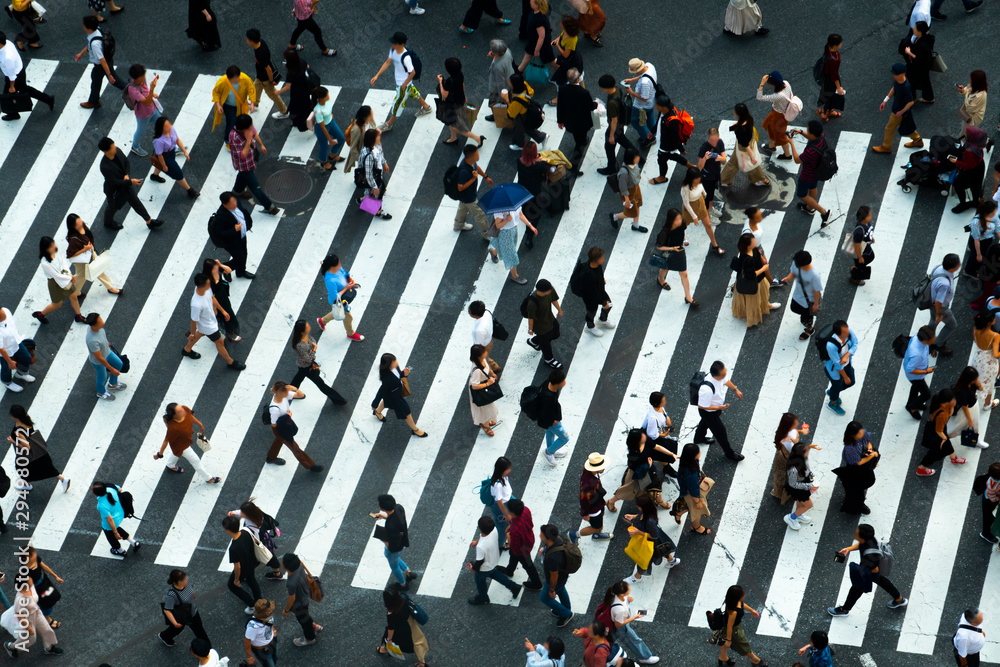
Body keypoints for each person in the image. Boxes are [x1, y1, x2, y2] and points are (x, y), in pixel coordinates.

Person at [827, 523, 908, 616]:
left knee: (856, 590)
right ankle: (899, 599)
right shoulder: (869, 540)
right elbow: (860, 545)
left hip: (868, 571)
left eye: (856, 533)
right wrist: (848, 549)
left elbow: (874, 569)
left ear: (862, 537)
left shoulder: (869, 556)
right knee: (883, 582)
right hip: (870, 568)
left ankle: (844, 610)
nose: (854, 534)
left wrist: (864, 574)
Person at [181, 273, 246, 370]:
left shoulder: (205, 290)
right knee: (219, 342)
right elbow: (193, 320)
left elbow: (212, 298)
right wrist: (192, 333)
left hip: (210, 320)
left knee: (200, 333)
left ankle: (187, 350)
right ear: (202, 286)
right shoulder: (196, 304)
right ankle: (230, 362)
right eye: (208, 283)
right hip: (208, 326)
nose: (210, 284)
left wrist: (223, 311)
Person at [98, 137, 165, 231]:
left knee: (135, 202)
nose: (115, 148)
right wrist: (130, 181)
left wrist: (127, 175)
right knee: (113, 207)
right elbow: (114, 182)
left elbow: (126, 163)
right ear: (105, 151)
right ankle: (108, 223)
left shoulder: (117, 151)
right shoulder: (104, 166)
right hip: (114, 190)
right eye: (112, 147)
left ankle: (149, 221)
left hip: (125, 185)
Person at [371, 32, 432, 132]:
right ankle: (426, 107)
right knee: (412, 91)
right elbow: (387, 62)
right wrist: (377, 75)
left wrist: (404, 85)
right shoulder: (393, 50)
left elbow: (412, 73)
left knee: (397, 105)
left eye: (395, 43)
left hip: (402, 85)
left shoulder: (406, 58)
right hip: (405, 84)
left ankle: (389, 124)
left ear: (402, 44)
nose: (393, 45)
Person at [154, 402, 221, 482]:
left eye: (181, 408)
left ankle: (170, 465)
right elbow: (166, 440)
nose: (183, 411)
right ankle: (208, 478)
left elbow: (190, 416)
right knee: (195, 460)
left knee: (177, 453)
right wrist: (160, 454)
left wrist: (200, 424)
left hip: (185, 441)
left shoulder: (184, 409)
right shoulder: (173, 428)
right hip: (181, 445)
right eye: (179, 411)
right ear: (174, 415)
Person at [694, 360, 745, 461]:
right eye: (724, 373)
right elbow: (701, 406)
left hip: (713, 411)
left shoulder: (719, 376)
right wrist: (719, 407)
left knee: (704, 422)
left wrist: (735, 389)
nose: (725, 374)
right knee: (720, 432)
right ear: (716, 375)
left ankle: (699, 438)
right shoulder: (706, 389)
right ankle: (729, 453)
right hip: (709, 413)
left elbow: (725, 380)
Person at [266, 382, 323, 471]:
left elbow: (301, 395)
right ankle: (311, 465)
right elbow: (274, 424)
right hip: (280, 427)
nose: (287, 393)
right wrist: (288, 417)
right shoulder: (274, 409)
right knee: (294, 447)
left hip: (285, 422)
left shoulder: (283, 395)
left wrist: (295, 389)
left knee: (279, 440)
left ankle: (271, 457)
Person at [230, 114, 280, 215]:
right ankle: (269, 207)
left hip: (251, 160)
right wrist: (248, 141)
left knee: (243, 176)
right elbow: (242, 156)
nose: (251, 128)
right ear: (242, 129)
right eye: (249, 128)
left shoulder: (248, 127)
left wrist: (261, 145)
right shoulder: (234, 137)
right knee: (255, 186)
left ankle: (237, 191)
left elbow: (254, 133)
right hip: (243, 165)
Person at [289, 319, 346, 405]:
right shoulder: (300, 345)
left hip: (305, 365)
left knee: (298, 379)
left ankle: (288, 392)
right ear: (302, 331)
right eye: (307, 327)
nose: (309, 327)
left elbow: (313, 341)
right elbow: (309, 359)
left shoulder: (305, 336)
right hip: (306, 367)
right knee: (321, 384)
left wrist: (310, 351)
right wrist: (313, 350)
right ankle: (339, 400)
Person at [468, 515, 522, 605]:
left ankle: (483, 598)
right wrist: (477, 541)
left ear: (479, 528)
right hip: (493, 560)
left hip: (484, 567)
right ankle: (513, 587)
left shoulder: (481, 547)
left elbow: (479, 562)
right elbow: (482, 536)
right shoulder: (493, 530)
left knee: (479, 581)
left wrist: (473, 569)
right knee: (495, 574)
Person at [625, 491, 679, 581]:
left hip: (650, 542)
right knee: (662, 550)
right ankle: (672, 560)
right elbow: (640, 516)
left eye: (638, 506)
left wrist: (638, 532)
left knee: (645, 561)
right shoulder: (647, 512)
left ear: (644, 507)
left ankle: (636, 577)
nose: (637, 507)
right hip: (655, 540)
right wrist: (633, 516)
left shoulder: (650, 521)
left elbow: (654, 536)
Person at [0, 31, 53, 121]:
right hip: (18, 70)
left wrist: (12, 86)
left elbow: (12, 75)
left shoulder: (7, 57)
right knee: (25, 89)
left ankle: (13, 113)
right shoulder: (7, 43)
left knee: (7, 95)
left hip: (15, 76)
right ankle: (48, 99)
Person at [603, 581, 660, 664]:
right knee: (634, 641)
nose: (630, 588)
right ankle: (645, 657)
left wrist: (628, 600)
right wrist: (634, 617)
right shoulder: (619, 609)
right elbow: (618, 624)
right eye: (628, 588)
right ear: (622, 593)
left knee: (608, 642)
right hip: (621, 627)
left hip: (615, 626)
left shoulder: (616, 596)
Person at [1, 581, 62, 658]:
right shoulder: (19, 600)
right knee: (31, 639)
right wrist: (28, 628)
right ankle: (11, 646)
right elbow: (20, 616)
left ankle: (49, 647)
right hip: (27, 618)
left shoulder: (31, 587)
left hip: (36, 612)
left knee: (46, 629)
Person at [32, 236, 85, 326]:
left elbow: (63, 262)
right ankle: (40, 314)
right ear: (46, 249)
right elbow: (56, 276)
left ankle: (78, 315)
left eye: (54, 244)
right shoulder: (45, 263)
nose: (54, 247)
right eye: (51, 246)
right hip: (55, 283)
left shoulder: (56, 251)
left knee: (73, 296)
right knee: (57, 304)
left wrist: (69, 274)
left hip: (65, 276)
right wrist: (70, 278)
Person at [75, 16, 125, 110]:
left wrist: (109, 75)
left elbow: (102, 60)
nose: (83, 26)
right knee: (96, 81)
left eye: (84, 25)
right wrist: (81, 53)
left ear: (88, 28)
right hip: (106, 62)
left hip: (101, 66)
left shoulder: (95, 44)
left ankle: (135, 92)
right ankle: (93, 101)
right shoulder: (96, 30)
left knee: (115, 81)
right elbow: (89, 43)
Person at [371, 354, 427, 437]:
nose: (396, 362)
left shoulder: (394, 368)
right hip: (394, 397)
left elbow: (398, 376)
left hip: (393, 393)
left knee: (386, 401)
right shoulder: (387, 378)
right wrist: (374, 404)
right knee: (406, 412)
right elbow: (381, 391)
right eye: (394, 361)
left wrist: (404, 374)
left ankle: (377, 412)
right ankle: (415, 430)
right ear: (389, 365)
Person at [787, 121, 832, 223]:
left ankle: (824, 212)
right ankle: (809, 207)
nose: (806, 132)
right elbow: (811, 137)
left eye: (808, 131)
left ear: (812, 134)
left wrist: (791, 143)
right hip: (816, 171)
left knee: (801, 194)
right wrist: (801, 132)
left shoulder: (810, 151)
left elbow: (797, 160)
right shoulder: (821, 138)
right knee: (813, 187)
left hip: (807, 174)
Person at [227, 500, 283, 581]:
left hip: (258, 541)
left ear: (248, 514)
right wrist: (234, 513)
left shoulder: (252, 524)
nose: (240, 513)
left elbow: (254, 538)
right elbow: (242, 513)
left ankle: (244, 575)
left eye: (242, 512)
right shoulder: (256, 513)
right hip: (264, 537)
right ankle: (276, 572)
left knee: (254, 560)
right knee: (269, 555)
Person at [873, 63, 922, 153]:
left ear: (903, 74)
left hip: (898, 112)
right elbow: (894, 88)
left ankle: (886, 147)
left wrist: (901, 112)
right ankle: (918, 140)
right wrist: (885, 100)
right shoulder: (898, 81)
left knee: (889, 128)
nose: (894, 76)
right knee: (907, 126)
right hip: (901, 111)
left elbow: (911, 102)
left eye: (896, 74)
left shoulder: (905, 87)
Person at [372, 494, 418, 589]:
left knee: (394, 566)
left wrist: (382, 539)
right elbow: (395, 519)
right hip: (402, 542)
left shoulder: (390, 526)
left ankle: (403, 584)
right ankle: (408, 573)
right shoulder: (399, 508)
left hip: (394, 548)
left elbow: (391, 544)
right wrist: (383, 516)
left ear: (383, 508)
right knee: (395, 559)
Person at [495, 498, 542, 589]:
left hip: (522, 548)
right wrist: (511, 526)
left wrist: (509, 538)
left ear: (512, 513)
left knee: (527, 564)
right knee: (513, 555)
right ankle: (509, 570)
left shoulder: (515, 530)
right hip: (529, 538)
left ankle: (537, 584)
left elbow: (514, 546)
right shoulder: (526, 510)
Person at [556, 68, 597, 173]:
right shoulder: (584, 92)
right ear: (578, 78)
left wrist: (560, 120)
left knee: (577, 136)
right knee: (580, 144)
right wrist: (596, 104)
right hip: (582, 122)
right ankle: (574, 166)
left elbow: (559, 105)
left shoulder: (562, 88)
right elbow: (591, 107)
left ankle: (581, 141)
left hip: (569, 121)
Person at [916, 389, 965, 477]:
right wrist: (944, 438)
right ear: (947, 401)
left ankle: (953, 458)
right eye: (953, 399)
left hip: (940, 430)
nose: (955, 400)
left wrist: (952, 406)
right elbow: (938, 430)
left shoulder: (941, 404)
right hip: (938, 434)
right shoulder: (942, 415)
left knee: (946, 444)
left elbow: (949, 414)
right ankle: (921, 469)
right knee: (934, 453)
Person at [716, 585, 767, 667]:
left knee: (723, 642)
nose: (744, 594)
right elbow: (729, 626)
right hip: (733, 630)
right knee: (743, 645)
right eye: (742, 594)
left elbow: (742, 604)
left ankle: (723, 658)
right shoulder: (733, 612)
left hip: (731, 627)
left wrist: (751, 610)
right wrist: (729, 640)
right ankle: (755, 660)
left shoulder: (732, 602)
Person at [652, 208, 696, 304]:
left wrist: (682, 240)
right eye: (676, 219)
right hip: (669, 253)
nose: (680, 221)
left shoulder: (682, 224)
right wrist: (672, 249)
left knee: (684, 274)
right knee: (665, 268)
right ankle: (660, 279)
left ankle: (688, 297)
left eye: (680, 218)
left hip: (679, 251)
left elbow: (682, 231)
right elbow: (659, 247)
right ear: (671, 220)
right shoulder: (665, 232)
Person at [719, 103, 769, 187]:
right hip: (747, 143)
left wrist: (752, 157)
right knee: (734, 162)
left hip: (743, 147)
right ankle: (725, 179)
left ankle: (760, 179)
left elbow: (745, 145)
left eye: (734, 111)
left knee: (750, 164)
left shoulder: (740, 130)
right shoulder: (749, 119)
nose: (733, 112)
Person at [437, 58, 484, 146]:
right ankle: (453, 138)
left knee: (460, 128)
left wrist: (440, 82)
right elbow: (462, 86)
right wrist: (464, 97)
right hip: (460, 101)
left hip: (453, 106)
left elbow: (444, 95)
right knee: (451, 123)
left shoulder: (449, 81)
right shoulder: (460, 74)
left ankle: (478, 138)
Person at [377, 588, 430, 666]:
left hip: (399, 630)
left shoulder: (391, 614)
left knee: (389, 639)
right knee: (416, 642)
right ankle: (422, 662)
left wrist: (389, 640)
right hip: (409, 623)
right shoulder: (403, 598)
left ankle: (386, 649)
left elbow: (391, 629)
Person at [835, 421, 878, 515]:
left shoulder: (862, 433)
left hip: (864, 464)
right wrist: (872, 455)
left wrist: (869, 450)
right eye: (859, 433)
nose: (862, 433)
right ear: (853, 435)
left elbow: (868, 442)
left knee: (860, 486)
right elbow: (858, 462)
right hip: (855, 470)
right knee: (855, 490)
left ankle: (859, 501)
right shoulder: (850, 448)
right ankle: (857, 505)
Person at [596, 74, 636, 176]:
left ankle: (611, 168)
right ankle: (636, 154)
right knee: (621, 138)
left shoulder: (612, 104)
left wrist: (611, 136)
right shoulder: (617, 89)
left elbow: (614, 121)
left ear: (605, 88)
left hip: (616, 125)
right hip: (621, 123)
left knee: (609, 146)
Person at [316, 254, 363, 340]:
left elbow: (344, 274)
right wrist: (346, 288)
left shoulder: (337, 269)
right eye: (338, 263)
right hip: (340, 301)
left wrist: (351, 282)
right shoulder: (330, 281)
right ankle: (350, 334)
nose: (340, 264)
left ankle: (322, 321)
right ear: (332, 266)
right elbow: (335, 297)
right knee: (348, 318)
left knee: (337, 313)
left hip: (344, 297)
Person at [151, 117, 200, 198]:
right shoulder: (159, 141)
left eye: (169, 124)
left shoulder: (171, 129)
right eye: (167, 126)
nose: (170, 126)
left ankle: (154, 176)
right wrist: (164, 166)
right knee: (178, 174)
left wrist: (184, 151)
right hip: (165, 157)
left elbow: (177, 140)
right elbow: (160, 155)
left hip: (171, 153)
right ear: (161, 129)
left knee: (158, 164)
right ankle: (189, 190)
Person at [223, 514, 262, 614]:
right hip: (252, 562)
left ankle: (252, 605)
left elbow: (237, 567)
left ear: (228, 530)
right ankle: (259, 600)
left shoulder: (234, 548)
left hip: (243, 569)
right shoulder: (245, 532)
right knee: (251, 579)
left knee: (232, 586)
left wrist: (236, 579)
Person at [159, 570, 210, 647]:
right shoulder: (172, 595)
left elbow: (191, 587)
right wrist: (175, 623)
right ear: (175, 583)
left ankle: (208, 649)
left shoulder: (187, 580)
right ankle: (165, 636)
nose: (185, 581)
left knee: (200, 631)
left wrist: (193, 594)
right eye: (182, 580)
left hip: (193, 612)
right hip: (182, 616)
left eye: (185, 578)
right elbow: (167, 610)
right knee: (177, 629)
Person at [731, 233, 772, 328]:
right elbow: (752, 274)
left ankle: (765, 305)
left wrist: (762, 259)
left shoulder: (751, 249)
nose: (755, 241)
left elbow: (758, 254)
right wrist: (764, 268)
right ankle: (754, 318)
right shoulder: (748, 259)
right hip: (753, 281)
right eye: (753, 241)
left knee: (761, 296)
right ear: (749, 245)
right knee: (753, 302)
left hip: (758, 279)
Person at [245, 28, 288, 120]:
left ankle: (284, 111)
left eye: (247, 39)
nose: (246, 40)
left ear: (252, 41)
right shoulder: (261, 42)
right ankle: (255, 103)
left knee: (272, 94)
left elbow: (268, 69)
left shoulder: (260, 54)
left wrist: (271, 80)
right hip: (260, 75)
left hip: (266, 78)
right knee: (256, 87)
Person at [782, 249, 823, 341]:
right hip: (797, 296)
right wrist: (788, 279)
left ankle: (809, 329)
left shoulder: (814, 275)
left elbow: (817, 291)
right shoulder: (797, 264)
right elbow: (793, 273)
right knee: (794, 308)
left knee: (806, 318)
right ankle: (807, 319)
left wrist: (815, 304)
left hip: (808, 301)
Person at [84, 313, 126, 400]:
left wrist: (106, 343)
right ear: (94, 325)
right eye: (100, 322)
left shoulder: (98, 328)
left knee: (119, 364)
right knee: (102, 377)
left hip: (107, 352)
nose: (103, 323)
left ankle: (112, 384)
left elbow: (102, 337)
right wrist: (111, 369)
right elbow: (99, 358)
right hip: (99, 362)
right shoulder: (92, 340)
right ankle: (101, 392)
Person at [282, 553, 321, 647]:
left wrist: (286, 610)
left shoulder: (291, 583)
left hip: (299, 604)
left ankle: (310, 638)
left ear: (286, 567)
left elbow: (292, 598)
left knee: (303, 621)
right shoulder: (299, 565)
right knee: (305, 616)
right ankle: (314, 626)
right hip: (306, 596)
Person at [538, 524, 574, 627]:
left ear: (547, 537)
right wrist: (544, 550)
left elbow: (554, 576)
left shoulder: (553, 559)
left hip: (557, 579)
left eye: (541, 533)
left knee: (544, 597)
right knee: (561, 589)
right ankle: (565, 608)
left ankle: (566, 614)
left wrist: (551, 590)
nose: (540, 535)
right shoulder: (557, 539)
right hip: (563, 575)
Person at [680, 166, 722, 255]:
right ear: (691, 179)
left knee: (708, 224)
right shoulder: (685, 188)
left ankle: (714, 245)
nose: (700, 179)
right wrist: (694, 216)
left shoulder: (698, 182)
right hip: (690, 208)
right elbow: (686, 204)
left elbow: (701, 186)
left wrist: (704, 193)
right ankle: (681, 239)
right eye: (697, 178)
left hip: (700, 203)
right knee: (684, 225)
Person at [213, 192, 255, 279]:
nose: (235, 203)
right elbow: (219, 233)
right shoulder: (221, 216)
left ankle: (240, 272)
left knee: (244, 254)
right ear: (225, 204)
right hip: (231, 242)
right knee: (240, 258)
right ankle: (223, 268)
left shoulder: (237, 203)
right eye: (231, 203)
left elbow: (244, 213)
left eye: (234, 200)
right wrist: (234, 230)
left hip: (242, 236)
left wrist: (247, 225)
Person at [212, 65, 256, 146]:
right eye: (233, 78)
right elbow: (216, 92)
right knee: (231, 122)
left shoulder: (245, 79)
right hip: (228, 106)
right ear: (228, 78)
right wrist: (218, 105)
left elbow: (251, 90)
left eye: (237, 78)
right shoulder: (222, 82)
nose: (236, 80)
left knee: (241, 122)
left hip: (241, 105)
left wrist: (252, 103)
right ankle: (228, 139)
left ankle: (239, 136)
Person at [821, 320, 858, 415]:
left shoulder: (848, 331)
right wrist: (845, 377)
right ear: (838, 334)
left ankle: (833, 391)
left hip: (847, 364)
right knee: (838, 384)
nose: (848, 332)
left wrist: (846, 356)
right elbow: (837, 364)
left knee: (851, 382)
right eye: (845, 332)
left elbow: (855, 343)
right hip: (835, 370)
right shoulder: (831, 346)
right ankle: (832, 403)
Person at [575, 247, 615, 335]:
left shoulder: (596, 265)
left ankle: (602, 320)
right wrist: (604, 303)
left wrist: (602, 279)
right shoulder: (589, 275)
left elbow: (599, 273)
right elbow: (592, 292)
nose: (603, 259)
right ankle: (590, 326)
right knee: (592, 311)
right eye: (601, 258)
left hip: (600, 290)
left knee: (609, 305)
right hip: (591, 297)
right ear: (596, 260)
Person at [90, 481, 137, 557]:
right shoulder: (110, 489)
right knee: (116, 528)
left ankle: (120, 551)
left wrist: (115, 533)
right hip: (121, 514)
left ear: (96, 494)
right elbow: (120, 489)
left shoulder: (101, 505)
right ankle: (134, 543)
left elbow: (110, 520)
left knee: (111, 537)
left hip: (110, 523)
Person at [454, 144, 493, 236]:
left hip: (466, 196)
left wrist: (485, 176)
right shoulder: (463, 171)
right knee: (480, 215)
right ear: (471, 156)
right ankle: (486, 234)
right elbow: (460, 187)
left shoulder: (471, 162)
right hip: (469, 197)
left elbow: (476, 167)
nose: (478, 155)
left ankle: (458, 225)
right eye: (477, 154)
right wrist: (473, 179)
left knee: (462, 209)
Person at [355, 129, 394, 220]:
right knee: (377, 194)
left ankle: (363, 200)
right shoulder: (369, 155)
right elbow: (368, 174)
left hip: (376, 175)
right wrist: (375, 187)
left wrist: (384, 163)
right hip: (373, 178)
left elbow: (379, 155)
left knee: (381, 188)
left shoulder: (373, 147)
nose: (379, 137)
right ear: (372, 139)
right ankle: (377, 211)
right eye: (377, 136)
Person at [526, 279, 564, 369]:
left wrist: (559, 310)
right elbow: (530, 318)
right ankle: (549, 360)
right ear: (541, 291)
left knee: (555, 334)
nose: (551, 290)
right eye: (548, 290)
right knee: (545, 343)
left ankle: (534, 341)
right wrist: (530, 329)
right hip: (540, 325)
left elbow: (553, 299)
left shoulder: (549, 289)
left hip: (550, 318)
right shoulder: (532, 303)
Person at [949, 127, 988, 214]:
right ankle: (975, 202)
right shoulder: (977, 144)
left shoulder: (970, 151)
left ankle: (963, 204)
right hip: (980, 166)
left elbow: (969, 165)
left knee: (958, 184)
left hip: (972, 171)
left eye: (967, 133)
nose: (965, 134)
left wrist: (956, 162)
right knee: (976, 186)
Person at [948, 366, 989, 449]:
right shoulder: (963, 391)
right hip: (964, 412)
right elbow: (965, 407)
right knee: (954, 429)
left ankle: (976, 439)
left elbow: (981, 389)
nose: (976, 379)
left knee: (975, 425)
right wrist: (970, 420)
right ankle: (941, 439)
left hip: (973, 406)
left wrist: (978, 383)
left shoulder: (971, 383)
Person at [928, 253, 961, 356]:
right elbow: (939, 301)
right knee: (952, 325)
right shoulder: (944, 284)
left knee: (933, 321)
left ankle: (928, 340)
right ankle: (938, 344)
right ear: (955, 267)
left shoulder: (938, 267)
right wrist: (939, 314)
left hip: (930, 301)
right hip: (940, 308)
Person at [756, 71, 794, 160]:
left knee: (780, 137)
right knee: (769, 126)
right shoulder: (786, 83)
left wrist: (762, 83)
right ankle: (771, 146)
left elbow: (759, 97)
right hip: (778, 112)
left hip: (780, 116)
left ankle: (787, 155)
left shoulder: (778, 96)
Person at [515, 142, 548, 246]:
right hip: (534, 192)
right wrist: (542, 161)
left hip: (522, 191)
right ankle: (529, 235)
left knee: (525, 210)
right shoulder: (540, 165)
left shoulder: (519, 162)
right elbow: (545, 173)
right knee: (535, 213)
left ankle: (526, 224)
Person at [503, 72, 546, 150]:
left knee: (518, 130)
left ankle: (519, 145)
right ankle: (542, 137)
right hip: (527, 111)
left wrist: (506, 100)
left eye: (510, 82)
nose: (508, 82)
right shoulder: (524, 84)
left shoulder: (517, 101)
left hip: (520, 115)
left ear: (514, 85)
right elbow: (531, 92)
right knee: (527, 128)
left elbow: (511, 114)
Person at [535, 368, 570, 464]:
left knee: (550, 433)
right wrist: (554, 421)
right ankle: (548, 452)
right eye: (563, 380)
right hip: (551, 421)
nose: (565, 381)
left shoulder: (548, 384)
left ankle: (552, 450)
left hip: (549, 419)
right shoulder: (548, 398)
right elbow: (545, 411)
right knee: (565, 438)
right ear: (558, 383)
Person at [771, 413, 807, 505]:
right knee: (782, 478)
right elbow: (794, 451)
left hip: (790, 458)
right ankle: (778, 493)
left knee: (788, 478)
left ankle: (780, 492)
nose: (797, 423)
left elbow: (794, 432)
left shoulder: (788, 431)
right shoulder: (787, 441)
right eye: (795, 422)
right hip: (786, 460)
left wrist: (801, 431)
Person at [125, 64, 160, 157]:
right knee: (140, 132)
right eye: (143, 75)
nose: (145, 77)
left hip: (153, 110)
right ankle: (135, 147)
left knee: (163, 126)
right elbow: (146, 102)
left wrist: (152, 94)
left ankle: (171, 147)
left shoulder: (142, 81)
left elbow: (146, 93)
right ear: (136, 78)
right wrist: (152, 89)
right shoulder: (132, 89)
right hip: (143, 115)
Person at [608, 148, 646, 233]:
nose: (638, 158)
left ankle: (635, 225)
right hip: (629, 193)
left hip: (636, 188)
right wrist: (627, 199)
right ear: (631, 159)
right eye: (636, 157)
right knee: (630, 213)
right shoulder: (624, 173)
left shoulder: (633, 164)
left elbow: (637, 170)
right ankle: (615, 216)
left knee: (638, 205)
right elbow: (623, 188)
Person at [202, 258, 239, 343]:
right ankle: (230, 334)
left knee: (228, 313)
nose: (217, 269)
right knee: (224, 316)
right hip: (217, 300)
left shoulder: (217, 270)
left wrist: (220, 265)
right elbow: (212, 298)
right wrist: (221, 310)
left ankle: (228, 332)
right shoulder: (208, 281)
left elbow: (229, 270)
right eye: (215, 268)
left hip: (223, 295)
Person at [782, 443, 818, 530]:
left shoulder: (801, 459)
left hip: (803, 483)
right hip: (798, 488)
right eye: (806, 451)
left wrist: (810, 446)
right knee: (808, 505)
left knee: (800, 502)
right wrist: (809, 486)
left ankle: (799, 514)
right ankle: (792, 517)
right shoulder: (794, 469)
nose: (808, 452)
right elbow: (793, 484)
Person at [904, 325, 937, 419]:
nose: (935, 338)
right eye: (933, 337)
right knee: (926, 394)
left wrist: (930, 350)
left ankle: (909, 404)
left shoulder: (917, 338)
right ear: (926, 340)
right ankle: (912, 407)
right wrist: (926, 371)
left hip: (917, 373)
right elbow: (910, 370)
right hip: (915, 376)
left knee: (915, 387)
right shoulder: (916, 354)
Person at [548, 15, 583, 105]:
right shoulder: (566, 31)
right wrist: (555, 41)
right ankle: (583, 92)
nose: (560, 23)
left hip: (571, 61)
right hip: (569, 60)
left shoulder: (571, 40)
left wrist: (557, 46)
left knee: (563, 80)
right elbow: (560, 37)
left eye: (562, 23)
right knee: (579, 76)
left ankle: (559, 98)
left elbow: (566, 54)